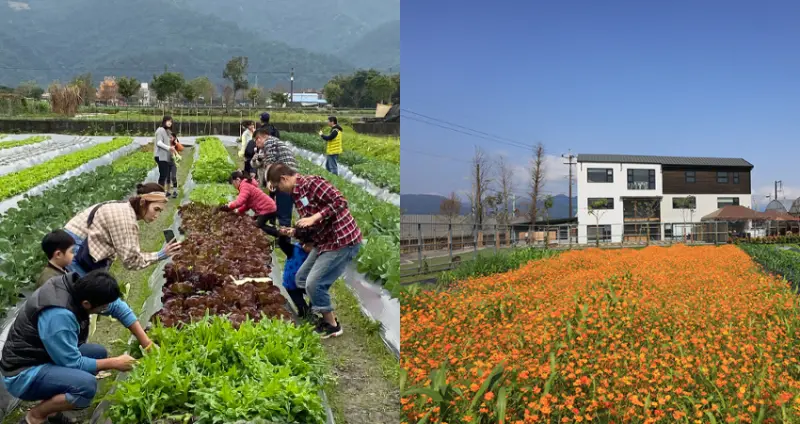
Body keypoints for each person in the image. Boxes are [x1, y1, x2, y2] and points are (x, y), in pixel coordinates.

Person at [1, 270, 153, 424]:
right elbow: (73, 363)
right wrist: (115, 363)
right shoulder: (59, 317)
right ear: (86, 304)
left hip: (43, 355)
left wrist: (146, 342)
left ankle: (54, 412)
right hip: (23, 373)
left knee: (98, 354)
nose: (106, 309)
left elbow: (116, 306)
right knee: (86, 387)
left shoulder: (78, 285)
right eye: (102, 307)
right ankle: (35, 416)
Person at [267, 164, 362, 339]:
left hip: (341, 240)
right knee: (301, 278)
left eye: (277, 186)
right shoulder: (296, 195)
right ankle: (320, 304)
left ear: (284, 179)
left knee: (313, 283)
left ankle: (332, 325)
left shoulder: (312, 183)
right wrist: (294, 232)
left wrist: (314, 217)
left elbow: (340, 202)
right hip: (324, 242)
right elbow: (310, 226)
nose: (278, 190)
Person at [64, 183, 181, 276]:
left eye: (160, 211)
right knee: (95, 297)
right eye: (156, 209)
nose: (157, 215)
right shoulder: (126, 219)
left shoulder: (123, 207)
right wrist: (161, 254)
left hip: (71, 242)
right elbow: (131, 261)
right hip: (74, 248)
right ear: (142, 202)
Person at [249, 128, 297, 257]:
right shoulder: (275, 143)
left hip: (285, 179)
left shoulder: (269, 142)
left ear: (260, 138)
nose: (256, 144)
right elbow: (256, 162)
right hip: (289, 178)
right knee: (283, 211)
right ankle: (283, 238)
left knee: (284, 212)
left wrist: (270, 180)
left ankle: (285, 243)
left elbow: (270, 162)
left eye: (256, 141)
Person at [219, 171, 288, 253]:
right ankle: (279, 232)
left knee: (258, 225)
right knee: (253, 221)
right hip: (265, 208)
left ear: (237, 180)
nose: (234, 186)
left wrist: (230, 206)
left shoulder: (244, 186)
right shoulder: (246, 185)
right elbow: (247, 204)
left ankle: (280, 234)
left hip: (267, 208)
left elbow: (240, 201)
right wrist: (239, 210)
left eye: (233, 183)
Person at [282, 231, 313, 319]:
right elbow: (282, 243)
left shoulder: (314, 254)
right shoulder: (292, 249)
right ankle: (304, 313)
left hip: (305, 283)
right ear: (303, 243)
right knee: (302, 308)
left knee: (316, 294)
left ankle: (312, 310)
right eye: (310, 246)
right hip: (291, 285)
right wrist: (283, 234)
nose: (311, 249)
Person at [154, 116, 177, 193]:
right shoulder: (160, 130)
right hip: (160, 156)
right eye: (168, 121)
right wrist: (169, 148)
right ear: (164, 121)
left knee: (163, 175)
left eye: (171, 121)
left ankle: (160, 192)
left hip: (164, 156)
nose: (170, 123)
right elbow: (159, 143)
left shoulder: (165, 131)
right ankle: (160, 193)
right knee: (163, 175)